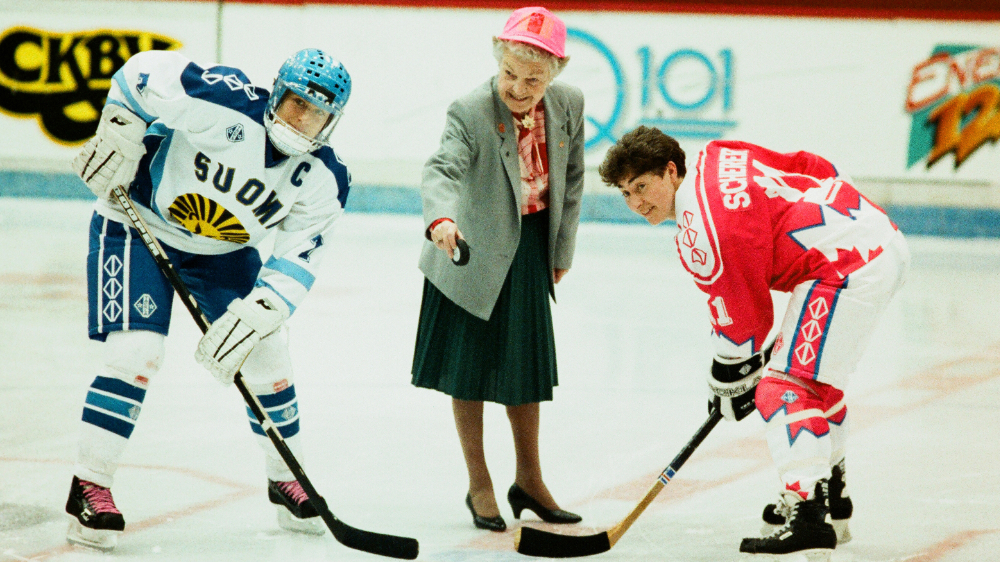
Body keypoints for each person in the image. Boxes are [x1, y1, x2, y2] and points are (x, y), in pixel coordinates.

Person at [65, 47, 352, 550]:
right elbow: (141, 75)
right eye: (295, 104)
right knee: (135, 353)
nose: (303, 121)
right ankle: (90, 483)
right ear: (276, 92)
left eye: (318, 114)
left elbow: (298, 257)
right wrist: (120, 130)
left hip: (223, 250)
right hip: (137, 224)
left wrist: (265, 310)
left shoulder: (325, 177)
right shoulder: (223, 101)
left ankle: (286, 477)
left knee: (267, 354)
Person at [599, 126, 910, 559]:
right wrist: (850, 220)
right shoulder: (717, 154)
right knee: (816, 383)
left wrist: (728, 379)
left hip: (845, 270)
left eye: (642, 186)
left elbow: (744, 325)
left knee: (783, 389)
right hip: (876, 238)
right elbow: (811, 164)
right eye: (625, 193)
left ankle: (807, 515)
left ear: (671, 171)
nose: (636, 203)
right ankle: (831, 498)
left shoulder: (702, 231)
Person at [411, 6, 585, 532]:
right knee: (469, 371)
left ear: (557, 71)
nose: (518, 87)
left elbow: (573, 182)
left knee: (524, 373)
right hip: (466, 246)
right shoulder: (469, 109)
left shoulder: (569, 104)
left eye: (533, 78)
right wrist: (441, 219)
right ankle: (480, 482)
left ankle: (529, 480)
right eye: (509, 73)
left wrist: (559, 254)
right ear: (498, 57)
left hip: (529, 247)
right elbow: (442, 168)